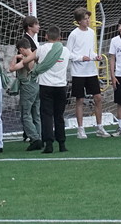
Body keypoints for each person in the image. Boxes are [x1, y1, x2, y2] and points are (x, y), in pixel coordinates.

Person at [65, 8, 109, 138]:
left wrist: (96, 57)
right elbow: (68, 53)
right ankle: (80, 129)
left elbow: (91, 51)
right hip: (78, 73)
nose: (88, 20)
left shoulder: (91, 32)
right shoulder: (73, 34)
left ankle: (99, 127)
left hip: (91, 71)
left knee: (98, 98)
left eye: (88, 18)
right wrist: (80, 58)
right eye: (85, 19)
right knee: (80, 99)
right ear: (79, 21)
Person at [33, 24, 71, 153]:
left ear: (46, 36)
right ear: (60, 37)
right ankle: (62, 143)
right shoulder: (65, 51)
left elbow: (30, 58)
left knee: (46, 115)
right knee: (59, 115)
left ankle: (48, 143)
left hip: (46, 85)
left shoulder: (41, 49)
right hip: (61, 86)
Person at [10, 17, 43, 148]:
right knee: (36, 113)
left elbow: (12, 68)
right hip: (37, 84)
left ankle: (34, 138)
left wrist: (15, 57)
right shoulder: (37, 54)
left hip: (28, 86)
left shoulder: (26, 58)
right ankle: (39, 136)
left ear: (22, 49)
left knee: (26, 114)